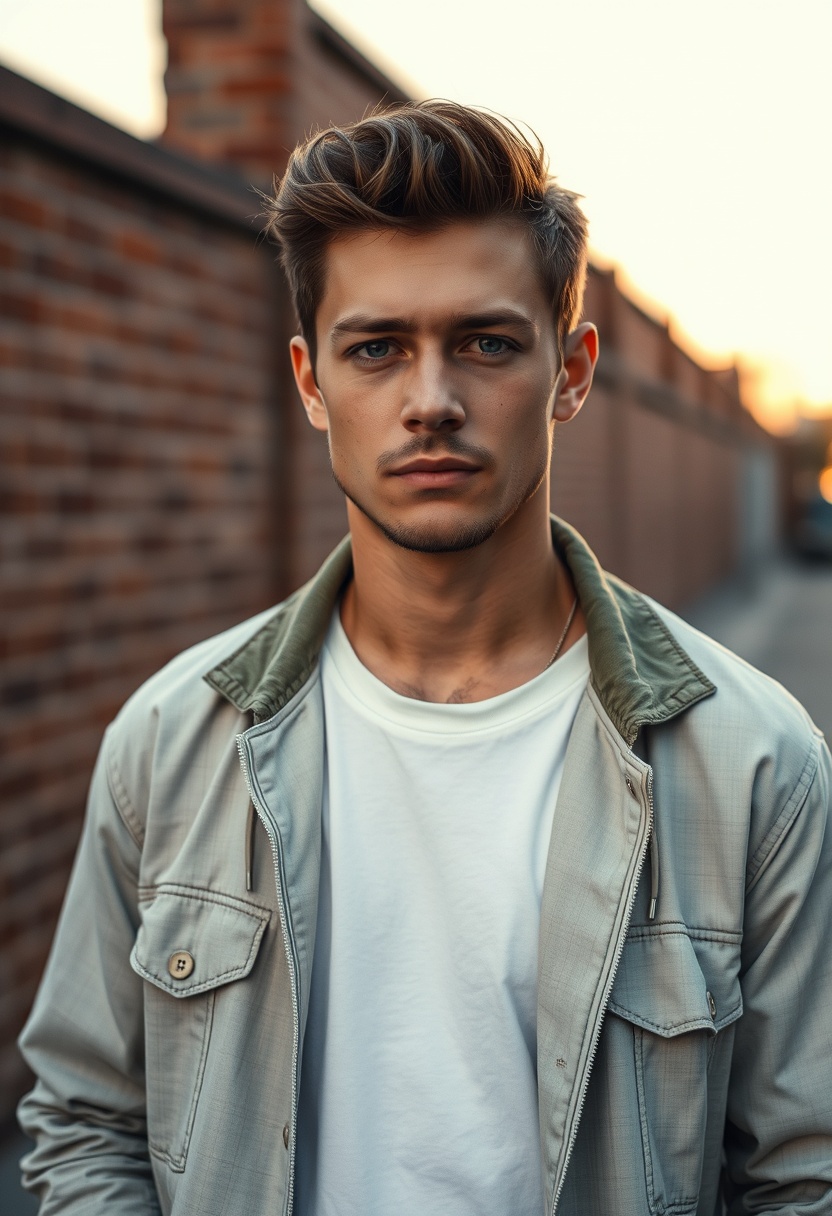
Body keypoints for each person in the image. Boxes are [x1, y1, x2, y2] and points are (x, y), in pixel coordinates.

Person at [18, 101, 832, 1216]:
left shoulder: (753, 764)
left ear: (572, 370)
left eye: (486, 342)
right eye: (376, 349)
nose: (431, 401)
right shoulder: (169, 745)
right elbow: (83, 1124)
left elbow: (803, 1175)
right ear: (311, 383)